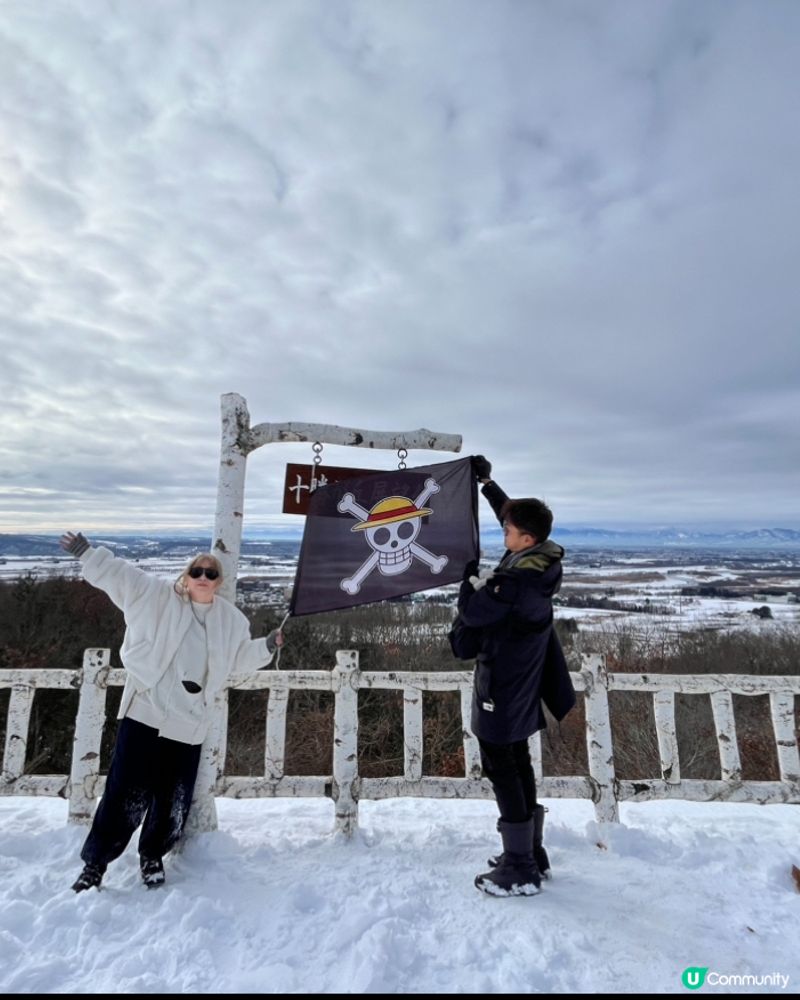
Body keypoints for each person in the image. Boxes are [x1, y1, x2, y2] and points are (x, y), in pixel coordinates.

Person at [59, 531, 284, 892]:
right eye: (197, 571)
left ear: (219, 581)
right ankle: (96, 863)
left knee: (171, 798)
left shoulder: (229, 620)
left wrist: (267, 646)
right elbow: (121, 577)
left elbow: (239, 657)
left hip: (189, 723)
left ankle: (152, 855)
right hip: (145, 711)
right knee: (124, 793)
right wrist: (88, 553)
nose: (203, 578)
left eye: (211, 574)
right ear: (186, 574)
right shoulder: (157, 599)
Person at [453, 457, 575, 897]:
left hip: (502, 685)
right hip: (523, 683)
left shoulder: (515, 583)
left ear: (527, 539)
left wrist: (467, 580)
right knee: (517, 760)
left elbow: (471, 612)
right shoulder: (541, 561)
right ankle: (530, 853)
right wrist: (488, 485)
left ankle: (520, 865)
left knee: (502, 766)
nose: (502, 536)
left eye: (508, 532)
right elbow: (512, 515)